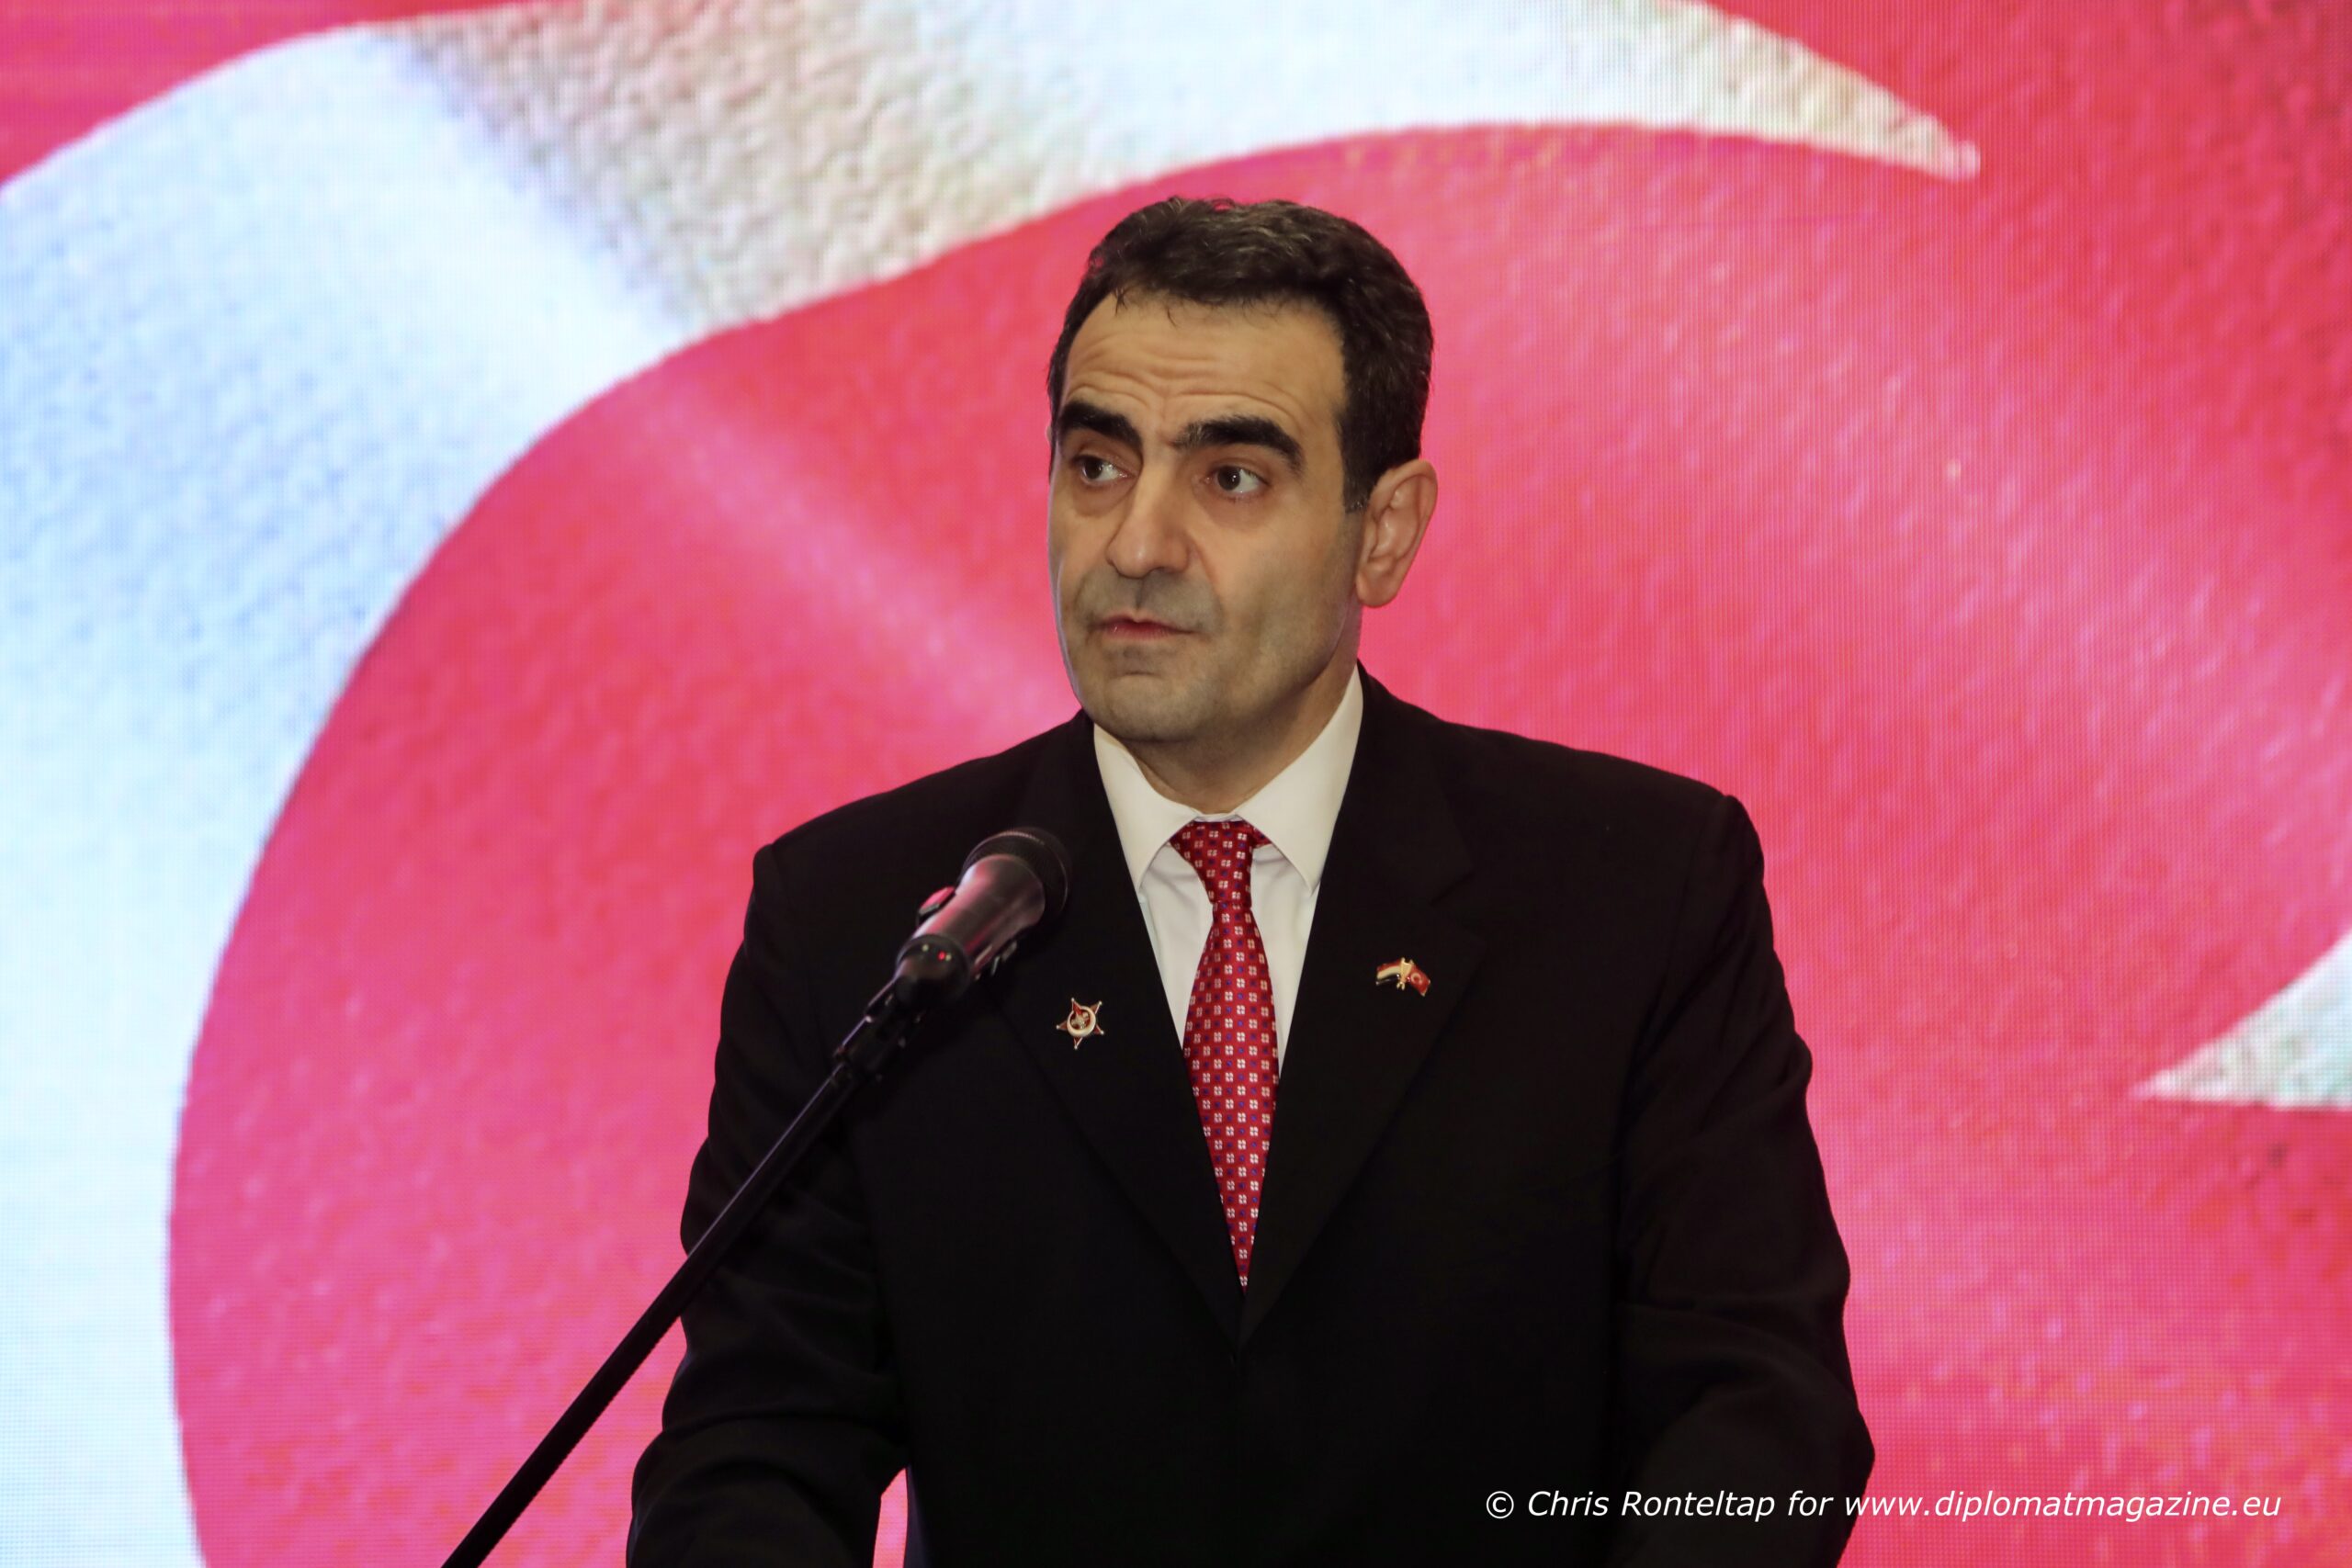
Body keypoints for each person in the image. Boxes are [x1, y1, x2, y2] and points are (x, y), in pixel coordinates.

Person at [628, 196, 1871, 1566]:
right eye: (1098, 463)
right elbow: (753, 1449)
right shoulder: (861, 921)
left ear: (1382, 529)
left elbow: (1759, 1418)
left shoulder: (1633, 891)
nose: (1136, 543)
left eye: (1230, 479)